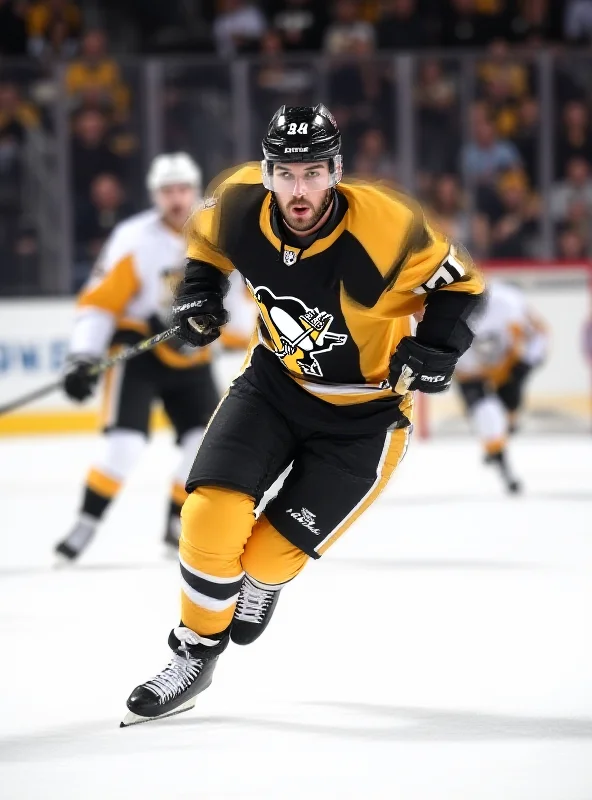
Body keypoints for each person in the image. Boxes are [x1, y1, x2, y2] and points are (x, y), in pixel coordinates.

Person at [121, 104, 485, 727]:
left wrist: (438, 346)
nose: (299, 189)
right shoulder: (235, 203)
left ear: (336, 171)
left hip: (365, 419)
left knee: (262, 560)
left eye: (313, 172)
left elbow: (461, 283)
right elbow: (206, 244)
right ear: (265, 174)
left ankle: (263, 585)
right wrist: (202, 295)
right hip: (275, 386)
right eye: (285, 173)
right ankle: (196, 652)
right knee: (208, 516)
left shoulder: (388, 225)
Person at [55, 153, 220, 561]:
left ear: (195, 191)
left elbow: (239, 304)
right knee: (124, 445)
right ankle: (86, 524)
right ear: (154, 195)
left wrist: (212, 326)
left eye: (183, 189)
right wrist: (82, 356)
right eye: (167, 191)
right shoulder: (132, 238)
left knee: (204, 444)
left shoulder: (217, 237)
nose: (176, 199)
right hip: (138, 350)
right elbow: (99, 303)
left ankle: (175, 520)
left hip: (192, 356)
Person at [454, 280, 548, 493]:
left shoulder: (508, 302)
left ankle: (501, 442)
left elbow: (540, 334)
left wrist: (526, 363)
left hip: (507, 366)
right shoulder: (450, 308)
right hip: (471, 370)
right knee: (487, 416)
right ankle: (504, 466)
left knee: (508, 416)